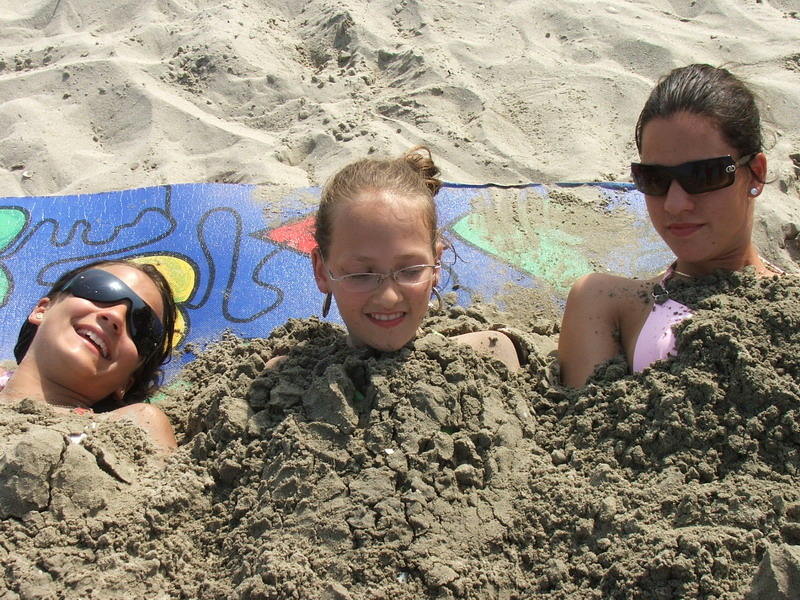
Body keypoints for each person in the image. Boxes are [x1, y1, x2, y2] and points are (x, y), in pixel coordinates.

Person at [558, 63, 786, 388]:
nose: (675, 204)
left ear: (756, 174)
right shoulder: (607, 300)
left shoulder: (789, 303)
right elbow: (583, 415)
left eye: (704, 175)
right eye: (654, 178)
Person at [296, 146, 521, 368]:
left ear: (436, 265)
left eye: (411, 271)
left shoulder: (491, 356)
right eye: (361, 274)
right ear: (321, 271)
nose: (389, 298)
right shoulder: (284, 382)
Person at [0, 259, 179, 451]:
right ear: (42, 310)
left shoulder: (133, 427)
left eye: (143, 325)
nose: (115, 315)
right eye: (100, 289)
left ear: (127, 383)